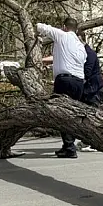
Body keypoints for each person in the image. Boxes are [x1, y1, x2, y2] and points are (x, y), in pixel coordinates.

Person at [37, 17, 87, 158]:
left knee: (61, 114)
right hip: (78, 83)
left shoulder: (61, 35)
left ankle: (70, 148)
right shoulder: (80, 45)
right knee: (71, 114)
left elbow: (42, 26)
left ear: (64, 27)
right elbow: (72, 59)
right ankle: (68, 145)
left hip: (64, 81)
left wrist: (36, 31)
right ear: (76, 29)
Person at [77, 30, 103, 153]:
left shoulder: (89, 54)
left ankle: (93, 143)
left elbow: (86, 72)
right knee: (87, 116)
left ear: (82, 39)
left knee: (93, 116)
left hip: (94, 89)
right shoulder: (83, 52)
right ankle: (87, 141)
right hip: (89, 89)